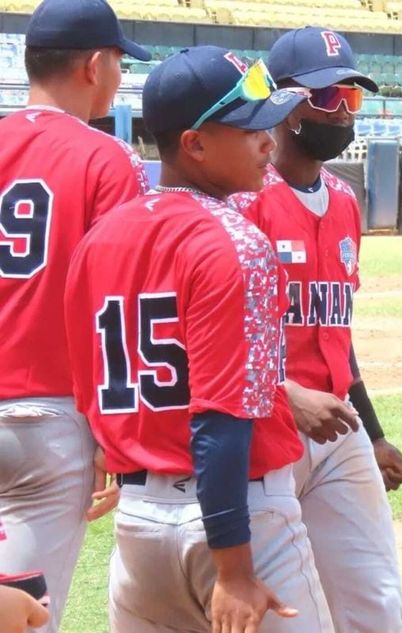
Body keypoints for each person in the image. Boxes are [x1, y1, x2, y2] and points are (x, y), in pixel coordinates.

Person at [64, 46, 335, 632]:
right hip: (237, 519)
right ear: (195, 144)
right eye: (250, 127)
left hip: (138, 525)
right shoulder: (234, 241)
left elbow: (88, 388)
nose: (269, 141)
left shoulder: (99, 238)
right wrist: (234, 568)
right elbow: (220, 417)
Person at [231, 26, 402, 633]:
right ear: (281, 102)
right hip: (262, 426)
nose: (341, 112)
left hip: (337, 426)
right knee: (284, 609)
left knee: (375, 593)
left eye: (350, 99)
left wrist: (375, 432)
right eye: (325, 98)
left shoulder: (346, 199)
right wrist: (280, 389)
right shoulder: (244, 199)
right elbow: (215, 331)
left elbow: (339, 333)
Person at [0, 0, 150, 629]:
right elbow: (114, 307)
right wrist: (113, 433)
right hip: (49, 419)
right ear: (93, 64)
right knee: (27, 618)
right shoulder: (104, 158)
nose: (119, 76)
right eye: (117, 61)